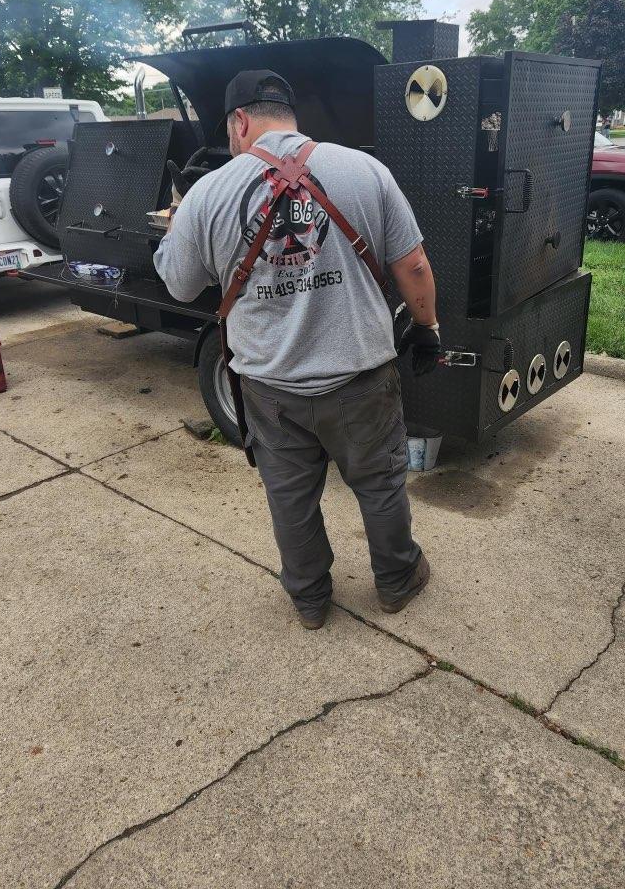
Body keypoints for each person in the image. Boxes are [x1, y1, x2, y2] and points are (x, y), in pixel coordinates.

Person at [154, 69, 441, 630]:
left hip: (270, 388)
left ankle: (309, 600)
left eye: (230, 132)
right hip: (360, 378)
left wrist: (177, 226)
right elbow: (413, 265)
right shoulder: (364, 169)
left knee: (290, 497)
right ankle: (397, 580)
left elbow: (180, 285)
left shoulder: (207, 193)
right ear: (288, 115)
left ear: (240, 121)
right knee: (380, 485)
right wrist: (427, 327)